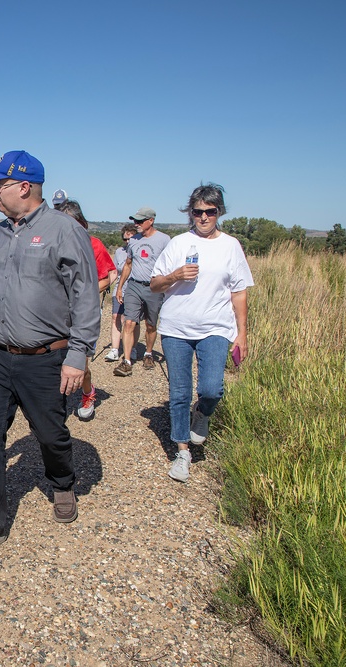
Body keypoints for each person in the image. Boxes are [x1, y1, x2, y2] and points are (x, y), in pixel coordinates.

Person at [0, 150, 100, 558]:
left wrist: (78, 354)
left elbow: (85, 296)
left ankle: (62, 482)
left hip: (45, 358)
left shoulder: (64, 230)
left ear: (24, 186)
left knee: (50, 434)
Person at [150, 183, 253, 483]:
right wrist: (175, 276)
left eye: (210, 211)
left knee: (211, 389)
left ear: (219, 212)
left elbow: (239, 292)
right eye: (198, 212)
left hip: (216, 328)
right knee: (179, 392)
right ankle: (182, 451)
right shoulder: (179, 244)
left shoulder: (231, 246)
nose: (204, 217)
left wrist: (242, 334)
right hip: (176, 327)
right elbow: (155, 285)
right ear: (190, 213)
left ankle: (203, 413)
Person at [57, 199, 116, 420]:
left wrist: (84, 295)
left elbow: (108, 277)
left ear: (82, 223)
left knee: (81, 362)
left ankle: (87, 392)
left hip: (83, 313)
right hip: (56, 314)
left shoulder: (94, 245)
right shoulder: (52, 244)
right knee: (55, 360)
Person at [113, 207, 170, 377]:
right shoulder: (133, 241)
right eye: (134, 221)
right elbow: (128, 265)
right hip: (134, 286)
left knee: (151, 325)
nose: (136, 224)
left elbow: (170, 264)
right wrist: (121, 287)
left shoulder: (164, 240)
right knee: (129, 322)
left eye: (139, 221)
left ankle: (148, 353)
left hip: (154, 287)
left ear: (151, 221)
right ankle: (127, 361)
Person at [105, 223, 140, 362]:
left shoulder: (139, 251)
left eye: (130, 239)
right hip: (119, 288)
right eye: (125, 239)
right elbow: (115, 271)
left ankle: (132, 348)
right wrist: (107, 284)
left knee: (131, 321)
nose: (127, 242)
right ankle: (114, 349)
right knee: (115, 317)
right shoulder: (119, 252)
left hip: (134, 289)